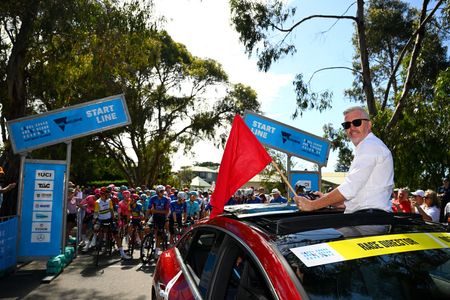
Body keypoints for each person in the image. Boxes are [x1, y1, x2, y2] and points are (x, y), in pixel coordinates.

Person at [295, 106, 394, 213]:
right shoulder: (370, 146)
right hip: (366, 218)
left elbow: (350, 188)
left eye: (356, 122)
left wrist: (313, 205)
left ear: (369, 125)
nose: (351, 128)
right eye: (347, 125)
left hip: (366, 222)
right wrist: (324, 198)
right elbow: (358, 199)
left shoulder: (369, 146)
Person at [93, 187, 130, 259]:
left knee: (116, 236)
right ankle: (99, 242)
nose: (109, 195)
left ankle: (122, 254)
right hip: (101, 220)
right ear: (103, 194)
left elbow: (111, 210)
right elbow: (96, 213)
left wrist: (114, 220)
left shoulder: (109, 200)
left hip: (109, 219)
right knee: (98, 230)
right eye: (108, 194)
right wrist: (94, 221)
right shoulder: (97, 202)